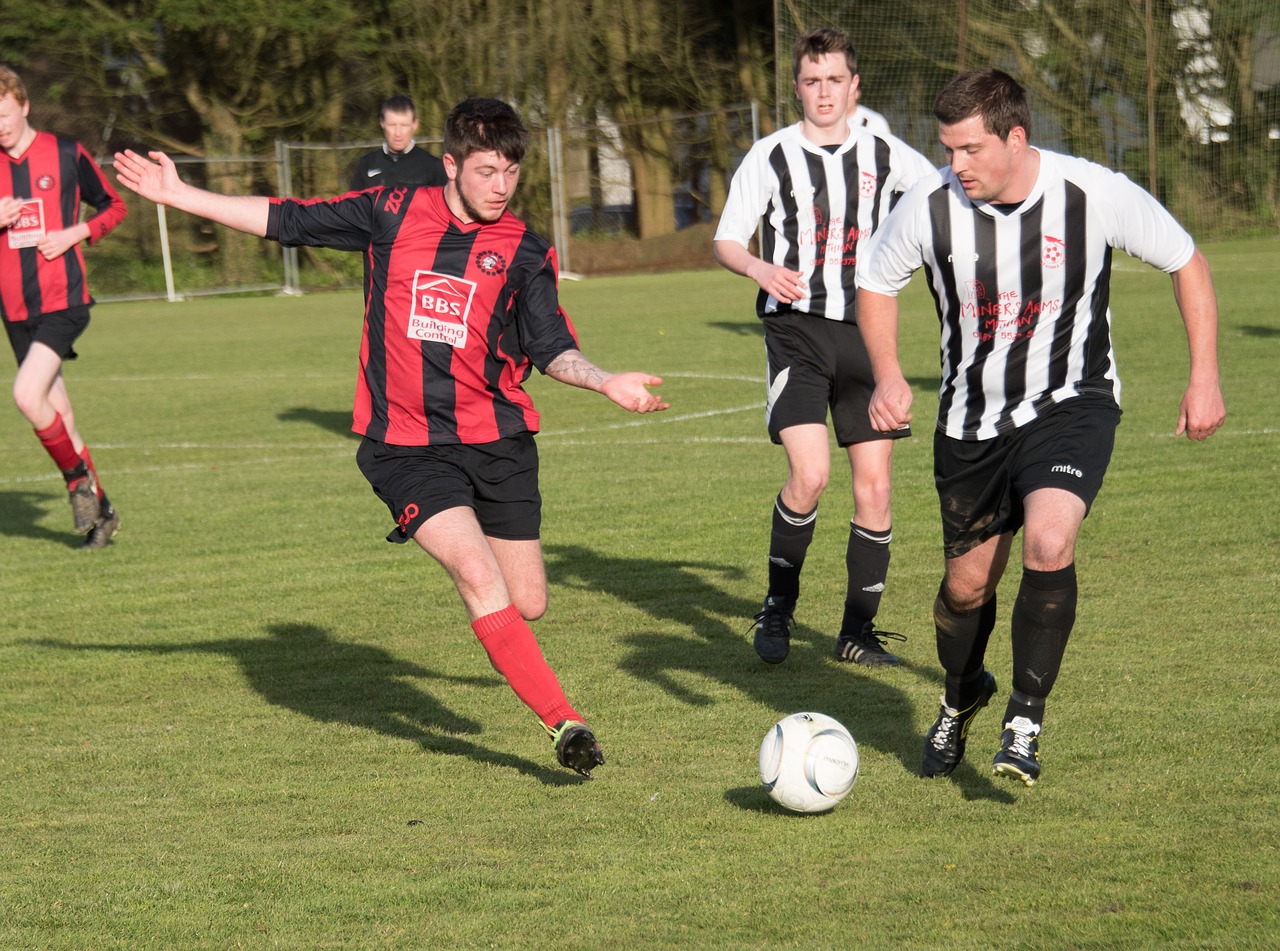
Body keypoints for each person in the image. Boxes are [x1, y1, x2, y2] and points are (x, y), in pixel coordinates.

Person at [114, 97, 669, 778]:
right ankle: (565, 723)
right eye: (488, 170)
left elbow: (551, 345)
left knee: (527, 602)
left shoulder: (525, 249)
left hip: (497, 441)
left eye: (512, 173)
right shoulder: (392, 211)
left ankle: (512, 643)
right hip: (404, 446)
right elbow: (289, 219)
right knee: (474, 570)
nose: (502, 186)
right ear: (451, 163)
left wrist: (603, 378)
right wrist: (179, 194)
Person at [856, 68, 1225, 787]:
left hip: (1071, 402)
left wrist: (1203, 374)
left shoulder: (1091, 192)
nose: (955, 164)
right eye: (947, 149)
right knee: (966, 589)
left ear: (1014, 138)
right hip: (970, 423)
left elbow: (1187, 260)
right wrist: (889, 372)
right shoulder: (928, 207)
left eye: (969, 149)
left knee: (1051, 543)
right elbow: (876, 282)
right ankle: (961, 692)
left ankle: (1025, 717)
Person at [713, 28, 935, 668]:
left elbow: (940, 201)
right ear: (797, 87)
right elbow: (728, 240)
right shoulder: (770, 155)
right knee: (810, 474)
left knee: (876, 491)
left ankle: (855, 634)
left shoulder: (888, 154)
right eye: (812, 81)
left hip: (869, 332)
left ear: (854, 86)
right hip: (797, 332)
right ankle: (778, 607)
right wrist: (757, 270)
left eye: (834, 80)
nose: (823, 92)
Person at [0, 65, 126, 549]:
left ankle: (77, 482)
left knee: (26, 395)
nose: (3, 126)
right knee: (59, 414)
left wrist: (76, 232)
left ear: (25, 105)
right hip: (14, 308)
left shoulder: (66, 153)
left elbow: (113, 206)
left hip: (64, 301)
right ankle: (104, 513)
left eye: (7, 115)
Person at [349, 94, 446, 192]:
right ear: (382, 123)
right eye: (392, 125)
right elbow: (352, 204)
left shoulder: (433, 166)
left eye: (404, 125)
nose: (398, 133)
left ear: (415, 124)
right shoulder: (366, 163)